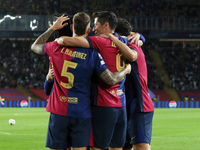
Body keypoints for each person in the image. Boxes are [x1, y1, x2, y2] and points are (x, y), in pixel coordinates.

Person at [31, 13, 131, 150]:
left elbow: (35, 46)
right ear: (88, 30)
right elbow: (111, 79)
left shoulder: (55, 47)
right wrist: (125, 71)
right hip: (82, 112)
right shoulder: (93, 54)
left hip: (58, 109)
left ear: (72, 27)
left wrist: (53, 28)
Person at [57, 11, 138, 150]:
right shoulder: (123, 41)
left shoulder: (99, 41)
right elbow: (133, 55)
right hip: (121, 105)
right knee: (117, 147)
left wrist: (56, 37)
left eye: (96, 25)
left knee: (97, 147)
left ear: (106, 25)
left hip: (104, 104)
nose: (93, 29)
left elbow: (65, 40)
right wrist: (139, 36)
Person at [115, 18, 154, 150]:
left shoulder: (132, 47)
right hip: (124, 107)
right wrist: (139, 35)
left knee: (141, 146)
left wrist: (139, 36)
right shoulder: (119, 48)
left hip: (139, 106)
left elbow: (132, 55)